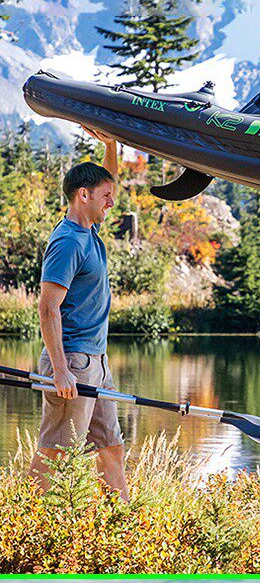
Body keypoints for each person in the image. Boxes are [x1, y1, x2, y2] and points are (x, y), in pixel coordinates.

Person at [27, 127, 129, 501]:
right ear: (83, 196)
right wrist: (59, 370)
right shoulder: (69, 241)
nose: (112, 202)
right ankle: (31, 521)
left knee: (110, 446)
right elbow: (47, 308)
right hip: (72, 360)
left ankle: (120, 519)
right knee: (56, 451)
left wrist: (110, 144)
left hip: (96, 361)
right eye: (106, 196)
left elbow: (107, 179)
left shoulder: (89, 229)